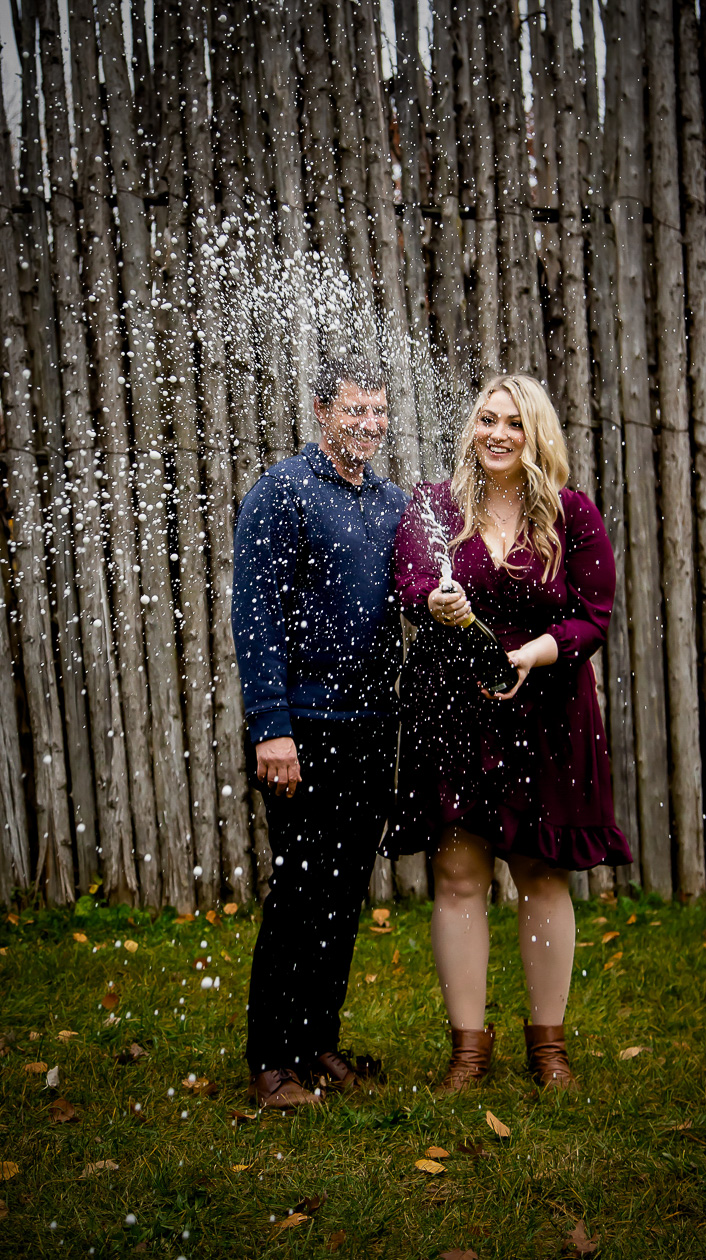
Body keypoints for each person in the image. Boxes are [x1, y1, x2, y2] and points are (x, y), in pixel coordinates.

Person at [385, 374, 632, 1093]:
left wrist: (533, 653)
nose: (497, 433)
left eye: (514, 423)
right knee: (459, 875)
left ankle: (548, 1048)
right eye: (486, 420)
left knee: (541, 873)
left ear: (536, 434)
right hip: (453, 711)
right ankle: (468, 1050)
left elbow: (594, 614)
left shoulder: (571, 514)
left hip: (547, 711)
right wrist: (436, 601)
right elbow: (407, 586)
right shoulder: (434, 507)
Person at [232, 356, 408, 1110]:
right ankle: (272, 1060)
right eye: (353, 411)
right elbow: (256, 616)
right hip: (303, 730)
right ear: (320, 411)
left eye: (378, 412)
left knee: (343, 892)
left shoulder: (394, 502)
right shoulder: (281, 494)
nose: (366, 425)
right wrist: (272, 728)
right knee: (301, 892)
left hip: (373, 727)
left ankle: (318, 1042)